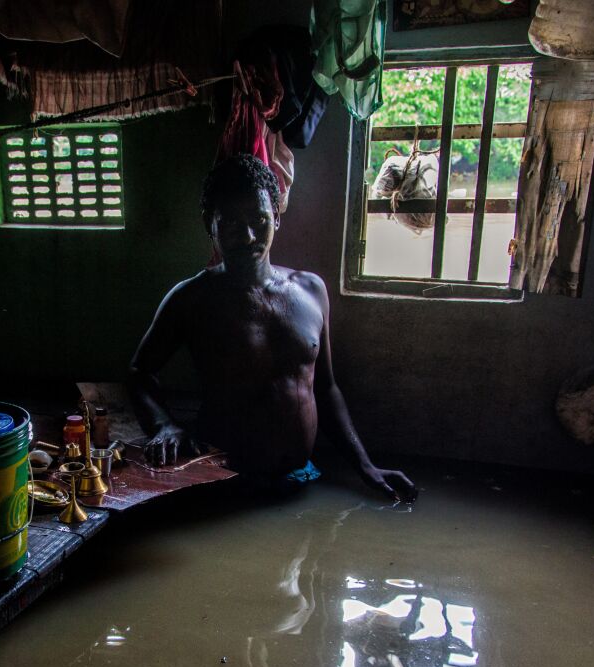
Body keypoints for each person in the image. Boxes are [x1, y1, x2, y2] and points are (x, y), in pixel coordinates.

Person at [128, 153, 416, 501]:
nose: (248, 236)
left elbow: (325, 389)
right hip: (223, 483)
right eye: (231, 223)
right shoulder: (192, 299)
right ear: (210, 223)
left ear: (276, 218)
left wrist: (365, 466)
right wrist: (164, 425)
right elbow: (139, 373)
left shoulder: (311, 291)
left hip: (301, 477)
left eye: (259, 219)